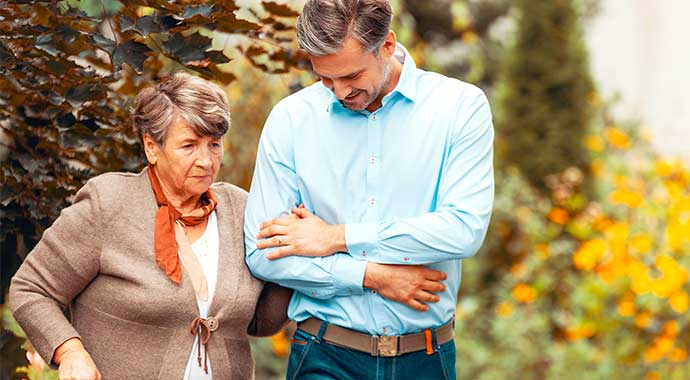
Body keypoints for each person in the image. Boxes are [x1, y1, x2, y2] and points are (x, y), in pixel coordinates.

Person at [244, 0, 495, 379]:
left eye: (352, 75)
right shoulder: (292, 121)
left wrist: (337, 237)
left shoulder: (459, 108)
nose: (340, 91)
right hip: (323, 356)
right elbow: (263, 253)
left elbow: (463, 230)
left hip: (426, 359)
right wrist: (370, 275)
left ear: (388, 45)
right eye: (326, 79)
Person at [10, 72, 292, 380]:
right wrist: (70, 352)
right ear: (151, 148)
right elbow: (31, 288)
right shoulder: (109, 204)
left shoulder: (240, 209)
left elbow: (260, 322)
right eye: (189, 146)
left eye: (214, 144)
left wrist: (292, 259)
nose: (206, 160)